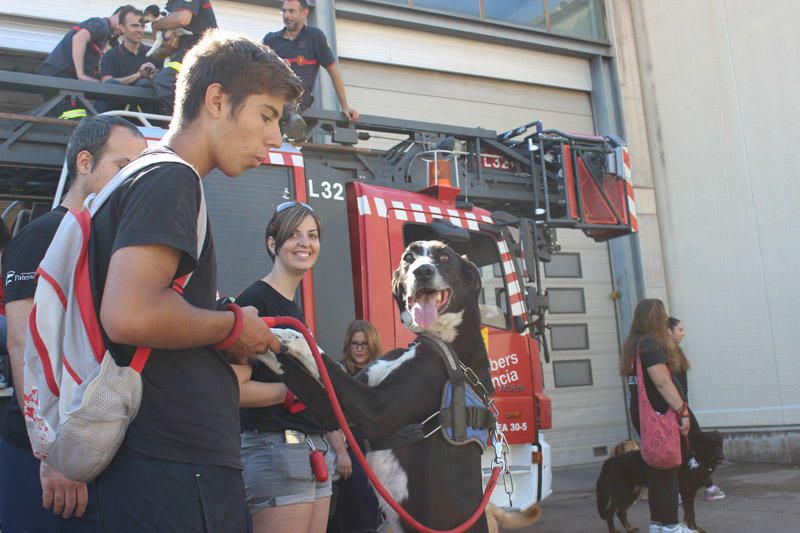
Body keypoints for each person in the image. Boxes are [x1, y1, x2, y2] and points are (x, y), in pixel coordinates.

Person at [89, 31, 302, 531]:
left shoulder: (145, 176)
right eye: (266, 116)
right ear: (217, 100)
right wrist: (234, 329)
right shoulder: (172, 178)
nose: (274, 139)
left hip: (164, 468)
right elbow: (130, 313)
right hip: (176, 472)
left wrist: (214, 334)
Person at [0, 115, 147, 532]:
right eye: (122, 167)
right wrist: (55, 455)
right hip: (44, 458)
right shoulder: (41, 236)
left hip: (103, 451)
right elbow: (23, 345)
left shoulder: (117, 243)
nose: (131, 180)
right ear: (85, 163)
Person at [234, 202, 342, 533]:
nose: (304, 243)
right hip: (275, 451)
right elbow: (234, 389)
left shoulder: (293, 310)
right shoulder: (254, 303)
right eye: (293, 235)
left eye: (312, 235)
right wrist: (290, 393)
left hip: (313, 452)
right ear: (272, 243)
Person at [620, 299, 691, 533]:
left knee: (656, 470)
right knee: (669, 470)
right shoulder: (651, 344)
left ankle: (659, 524)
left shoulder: (633, 345)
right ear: (656, 317)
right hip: (660, 415)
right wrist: (683, 411)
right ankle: (669, 525)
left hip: (642, 415)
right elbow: (661, 382)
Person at [263, 0, 359, 138]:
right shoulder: (271, 39)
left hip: (299, 97)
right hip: (272, 94)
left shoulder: (314, 36)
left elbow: (333, 72)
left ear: (304, 13)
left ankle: (292, 120)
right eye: (284, 11)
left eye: (291, 11)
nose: (286, 15)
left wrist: (345, 106)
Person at [328, 320, 383, 533]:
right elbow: (330, 417)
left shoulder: (382, 372)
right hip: (351, 450)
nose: (359, 349)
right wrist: (342, 453)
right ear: (348, 346)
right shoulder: (339, 373)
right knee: (358, 509)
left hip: (377, 449)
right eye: (355, 344)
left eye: (364, 344)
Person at [668, 316, 726, 502]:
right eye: (680, 330)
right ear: (669, 332)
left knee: (690, 448)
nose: (683, 333)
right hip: (677, 408)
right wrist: (682, 409)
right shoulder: (665, 355)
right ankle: (706, 487)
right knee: (690, 447)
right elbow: (671, 385)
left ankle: (705, 487)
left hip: (681, 406)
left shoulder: (676, 352)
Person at [151, 0, 218, 115]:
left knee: (165, 82)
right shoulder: (170, 6)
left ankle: (190, 122)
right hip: (188, 54)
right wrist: (166, 47)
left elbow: (183, 18)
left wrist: (156, 25)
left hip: (202, 51)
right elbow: (160, 53)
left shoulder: (176, 9)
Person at [40, 6, 134, 82]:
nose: (123, 30)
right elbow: (79, 38)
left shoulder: (105, 37)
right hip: (60, 73)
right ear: (119, 14)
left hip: (61, 75)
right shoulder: (101, 24)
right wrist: (81, 74)